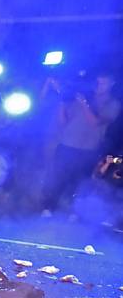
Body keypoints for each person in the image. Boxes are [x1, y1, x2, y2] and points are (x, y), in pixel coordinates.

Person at [42, 71, 122, 213]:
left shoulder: (113, 104)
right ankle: (48, 209)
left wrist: (84, 103)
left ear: (111, 84)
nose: (99, 85)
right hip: (66, 145)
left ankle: (73, 214)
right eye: (97, 82)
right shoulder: (82, 99)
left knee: (79, 184)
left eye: (102, 83)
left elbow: (95, 122)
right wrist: (62, 100)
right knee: (57, 179)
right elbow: (63, 121)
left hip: (88, 150)